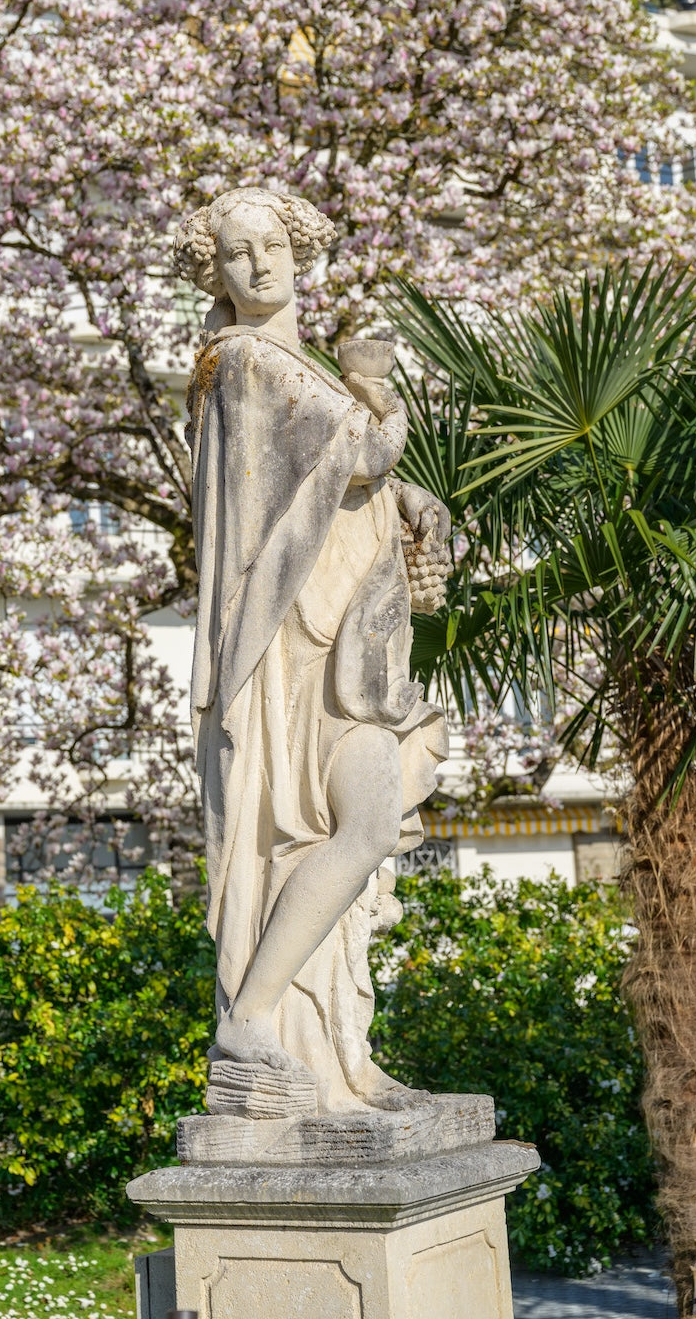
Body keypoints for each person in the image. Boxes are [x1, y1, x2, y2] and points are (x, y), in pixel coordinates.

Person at [176, 186, 449, 1113]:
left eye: (273, 245)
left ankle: (337, 1057)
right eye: (236, 254)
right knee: (351, 830)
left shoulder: (290, 369)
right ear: (215, 275)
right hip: (289, 652)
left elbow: (351, 478)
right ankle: (251, 1024)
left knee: (358, 836)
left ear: (299, 248)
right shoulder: (246, 361)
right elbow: (361, 454)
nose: (260, 265)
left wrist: (409, 499)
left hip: (348, 642)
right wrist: (372, 383)